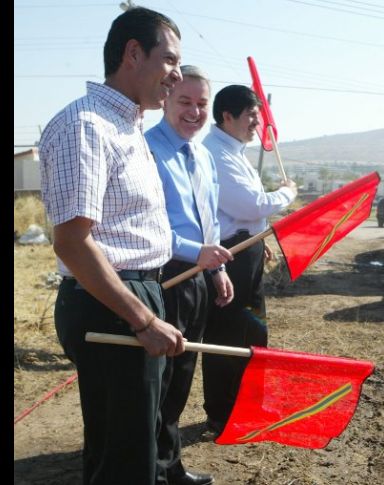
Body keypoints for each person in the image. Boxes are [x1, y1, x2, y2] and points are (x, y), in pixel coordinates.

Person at [38, 7, 185, 485]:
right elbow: (73, 243)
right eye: (169, 60)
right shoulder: (86, 126)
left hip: (134, 295)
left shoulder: (126, 126)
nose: (177, 75)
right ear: (133, 53)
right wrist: (141, 318)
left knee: (136, 448)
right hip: (111, 304)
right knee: (124, 462)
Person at [146, 65, 232, 485]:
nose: (195, 112)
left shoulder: (203, 155)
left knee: (182, 376)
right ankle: (153, 471)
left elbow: (208, 219)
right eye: (185, 101)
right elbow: (150, 226)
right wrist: (196, 254)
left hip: (198, 275)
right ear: (165, 99)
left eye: (202, 104)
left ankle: (170, 466)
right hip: (163, 275)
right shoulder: (146, 150)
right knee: (158, 380)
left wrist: (215, 271)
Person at [200, 85, 298, 437]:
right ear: (227, 116)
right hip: (229, 255)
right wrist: (288, 192)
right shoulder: (215, 154)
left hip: (247, 249)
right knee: (227, 335)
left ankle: (251, 402)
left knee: (254, 330)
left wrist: (259, 236)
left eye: (258, 115)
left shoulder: (235, 151)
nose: (258, 123)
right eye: (251, 116)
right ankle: (222, 413)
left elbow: (249, 213)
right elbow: (250, 204)